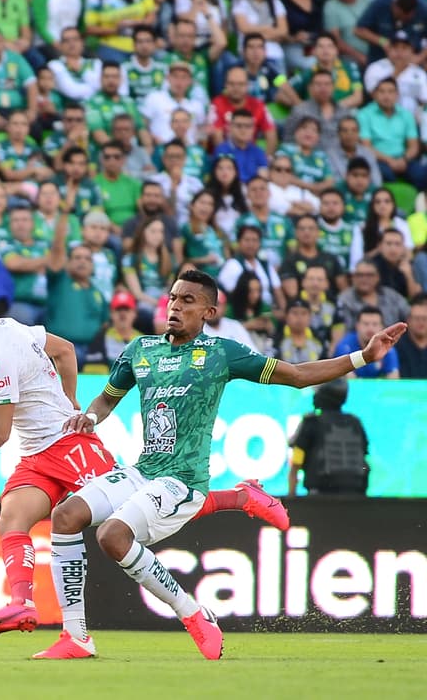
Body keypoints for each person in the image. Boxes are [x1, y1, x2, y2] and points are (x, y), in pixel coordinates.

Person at [43, 269, 402, 661]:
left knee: (113, 536)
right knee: (65, 515)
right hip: (144, 470)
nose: (176, 306)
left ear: (208, 312)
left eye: (188, 301)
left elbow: (298, 376)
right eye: (173, 297)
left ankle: (193, 613)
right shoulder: (140, 350)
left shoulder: (221, 354)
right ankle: (76, 637)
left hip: (182, 480)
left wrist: (363, 356)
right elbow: (108, 398)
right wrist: (91, 418)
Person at [0, 269, 290, 642]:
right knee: (11, 520)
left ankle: (241, 497)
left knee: (138, 507)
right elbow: (64, 350)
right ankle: (23, 604)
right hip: (35, 454)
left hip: (70, 448)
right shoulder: (10, 329)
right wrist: (71, 401)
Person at [287, 379, 370, 497]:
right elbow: (364, 459)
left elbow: (295, 465)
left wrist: (291, 497)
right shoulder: (355, 423)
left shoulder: (312, 422)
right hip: (355, 496)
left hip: (320, 498)